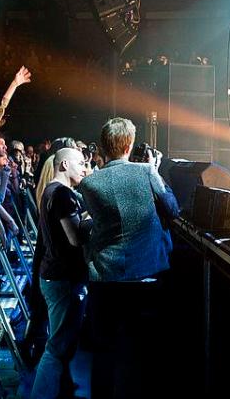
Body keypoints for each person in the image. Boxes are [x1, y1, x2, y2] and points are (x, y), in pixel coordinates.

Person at [78, 117, 179, 399]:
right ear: (130, 144)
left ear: (103, 146)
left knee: (104, 352)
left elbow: (94, 221)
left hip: (105, 278)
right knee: (144, 351)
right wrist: (156, 172)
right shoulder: (146, 171)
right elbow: (172, 209)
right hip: (145, 276)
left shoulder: (89, 183)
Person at [30, 147, 91, 399]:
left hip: (56, 276)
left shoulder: (51, 191)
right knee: (56, 348)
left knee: (61, 344)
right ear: (64, 165)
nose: (84, 169)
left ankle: (62, 390)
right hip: (63, 278)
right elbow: (75, 237)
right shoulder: (63, 193)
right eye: (80, 163)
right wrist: (97, 217)